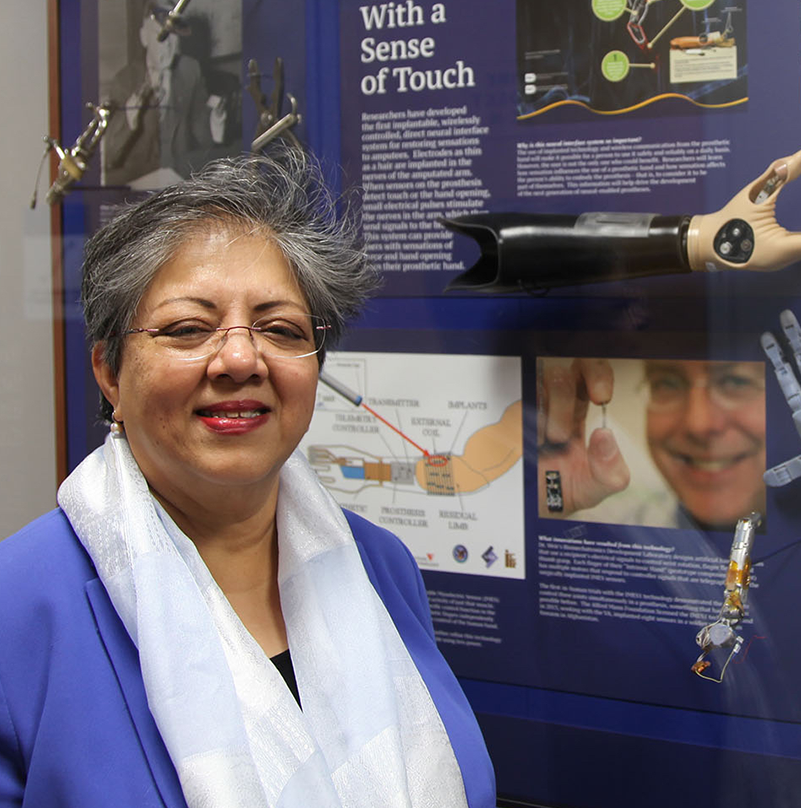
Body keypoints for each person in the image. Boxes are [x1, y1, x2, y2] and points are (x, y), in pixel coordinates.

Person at [0, 151, 495, 808]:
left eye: (280, 328)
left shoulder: (382, 565)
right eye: (187, 328)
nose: (240, 358)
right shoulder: (19, 606)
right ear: (110, 372)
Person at [537, 357, 766, 530]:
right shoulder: (620, 532)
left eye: (736, 382)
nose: (697, 424)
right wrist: (550, 499)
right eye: (666, 383)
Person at [103, 0, 224, 187]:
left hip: (179, 182)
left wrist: (215, 124)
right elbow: (110, 156)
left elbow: (202, 137)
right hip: (138, 185)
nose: (168, 47)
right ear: (144, 38)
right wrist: (129, 121)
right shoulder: (124, 81)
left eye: (173, 37)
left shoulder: (190, 70)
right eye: (161, 36)